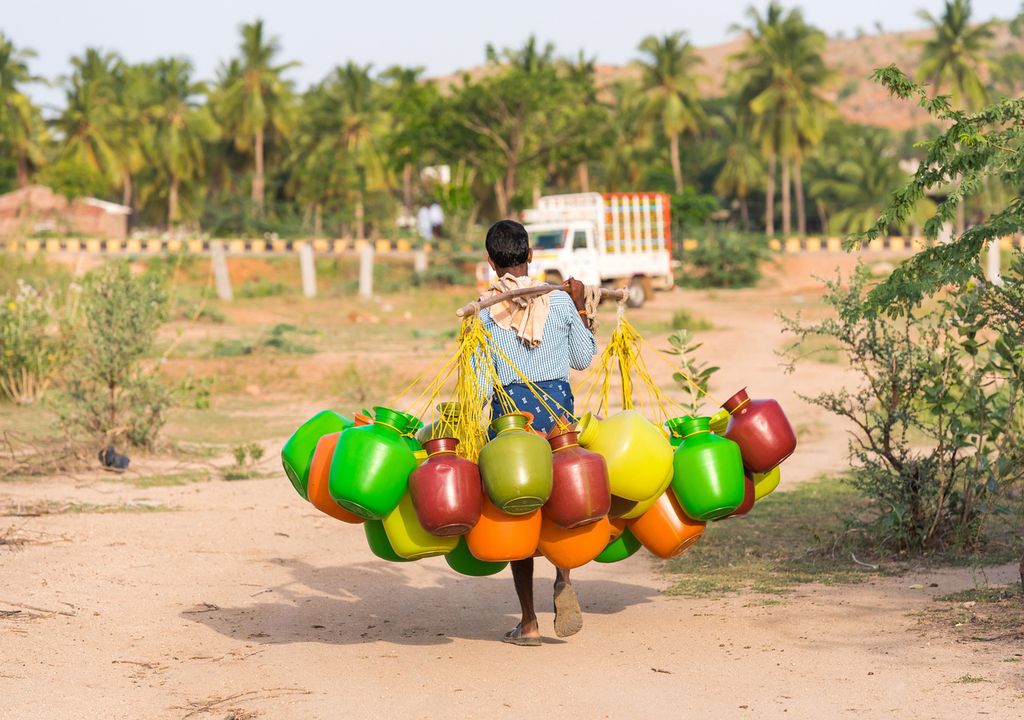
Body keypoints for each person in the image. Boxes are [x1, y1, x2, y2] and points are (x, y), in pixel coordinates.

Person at [478, 219, 597, 647]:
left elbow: (477, 384)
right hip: (558, 415)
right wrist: (582, 306)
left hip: (511, 422)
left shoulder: (484, 312)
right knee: (564, 496)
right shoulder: (561, 303)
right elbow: (584, 359)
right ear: (530, 256)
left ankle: (527, 622)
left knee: (519, 509)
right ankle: (564, 577)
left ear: (492, 262)